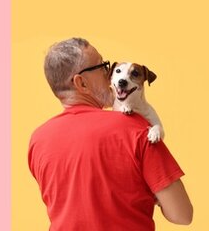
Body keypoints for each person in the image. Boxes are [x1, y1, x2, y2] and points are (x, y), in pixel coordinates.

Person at [28, 37, 192, 229]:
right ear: (82, 83)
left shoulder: (38, 140)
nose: (110, 76)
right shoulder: (136, 129)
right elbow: (182, 214)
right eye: (103, 67)